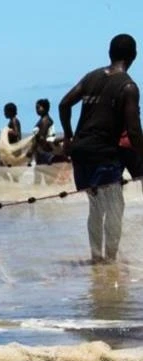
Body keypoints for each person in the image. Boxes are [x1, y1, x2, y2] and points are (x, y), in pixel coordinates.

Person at [59, 33, 143, 263]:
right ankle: (110, 260)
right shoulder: (128, 87)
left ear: (110, 54)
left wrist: (68, 137)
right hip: (103, 155)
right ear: (134, 56)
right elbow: (134, 132)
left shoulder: (91, 77)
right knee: (115, 206)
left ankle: (96, 258)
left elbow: (64, 103)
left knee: (96, 208)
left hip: (81, 153)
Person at [29, 99, 67, 184]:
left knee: (44, 179)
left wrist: (32, 149)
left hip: (44, 153)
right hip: (42, 153)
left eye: (38, 107)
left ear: (45, 108)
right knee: (43, 179)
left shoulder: (45, 120)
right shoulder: (44, 119)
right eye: (36, 108)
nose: (37, 110)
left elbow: (43, 138)